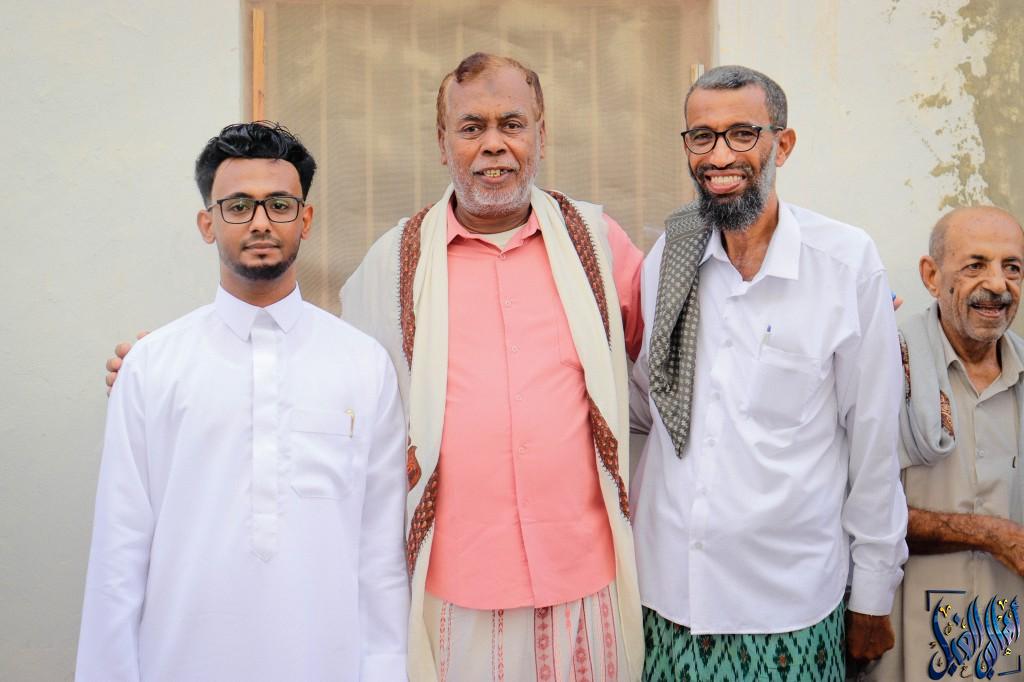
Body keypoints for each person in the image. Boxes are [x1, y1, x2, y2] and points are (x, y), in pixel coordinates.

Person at [340, 53, 645, 680]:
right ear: (442, 143)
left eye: (512, 123)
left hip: (584, 577)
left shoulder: (596, 242)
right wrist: (185, 354)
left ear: (541, 134)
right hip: (456, 589)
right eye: (471, 127)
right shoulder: (392, 263)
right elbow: (334, 385)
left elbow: (676, 343)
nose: (494, 145)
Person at [78, 122, 409, 681]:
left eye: (279, 204)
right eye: (238, 206)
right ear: (207, 224)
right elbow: (118, 555)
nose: (260, 222)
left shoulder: (363, 365)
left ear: (305, 219)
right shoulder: (153, 368)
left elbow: (381, 560)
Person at [629, 65, 908, 680]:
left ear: (783, 143)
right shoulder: (670, 256)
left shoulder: (845, 265)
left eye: (742, 134)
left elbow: (874, 442)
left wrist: (872, 593)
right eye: (701, 136)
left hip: (790, 604)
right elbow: (646, 401)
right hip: (667, 596)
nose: (719, 156)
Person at [867, 206, 1024, 681]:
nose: (997, 285)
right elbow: (859, 511)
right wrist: (992, 534)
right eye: (975, 265)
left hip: (1007, 642)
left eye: (1012, 267)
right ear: (931, 276)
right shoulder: (885, 368)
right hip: (906, 641)